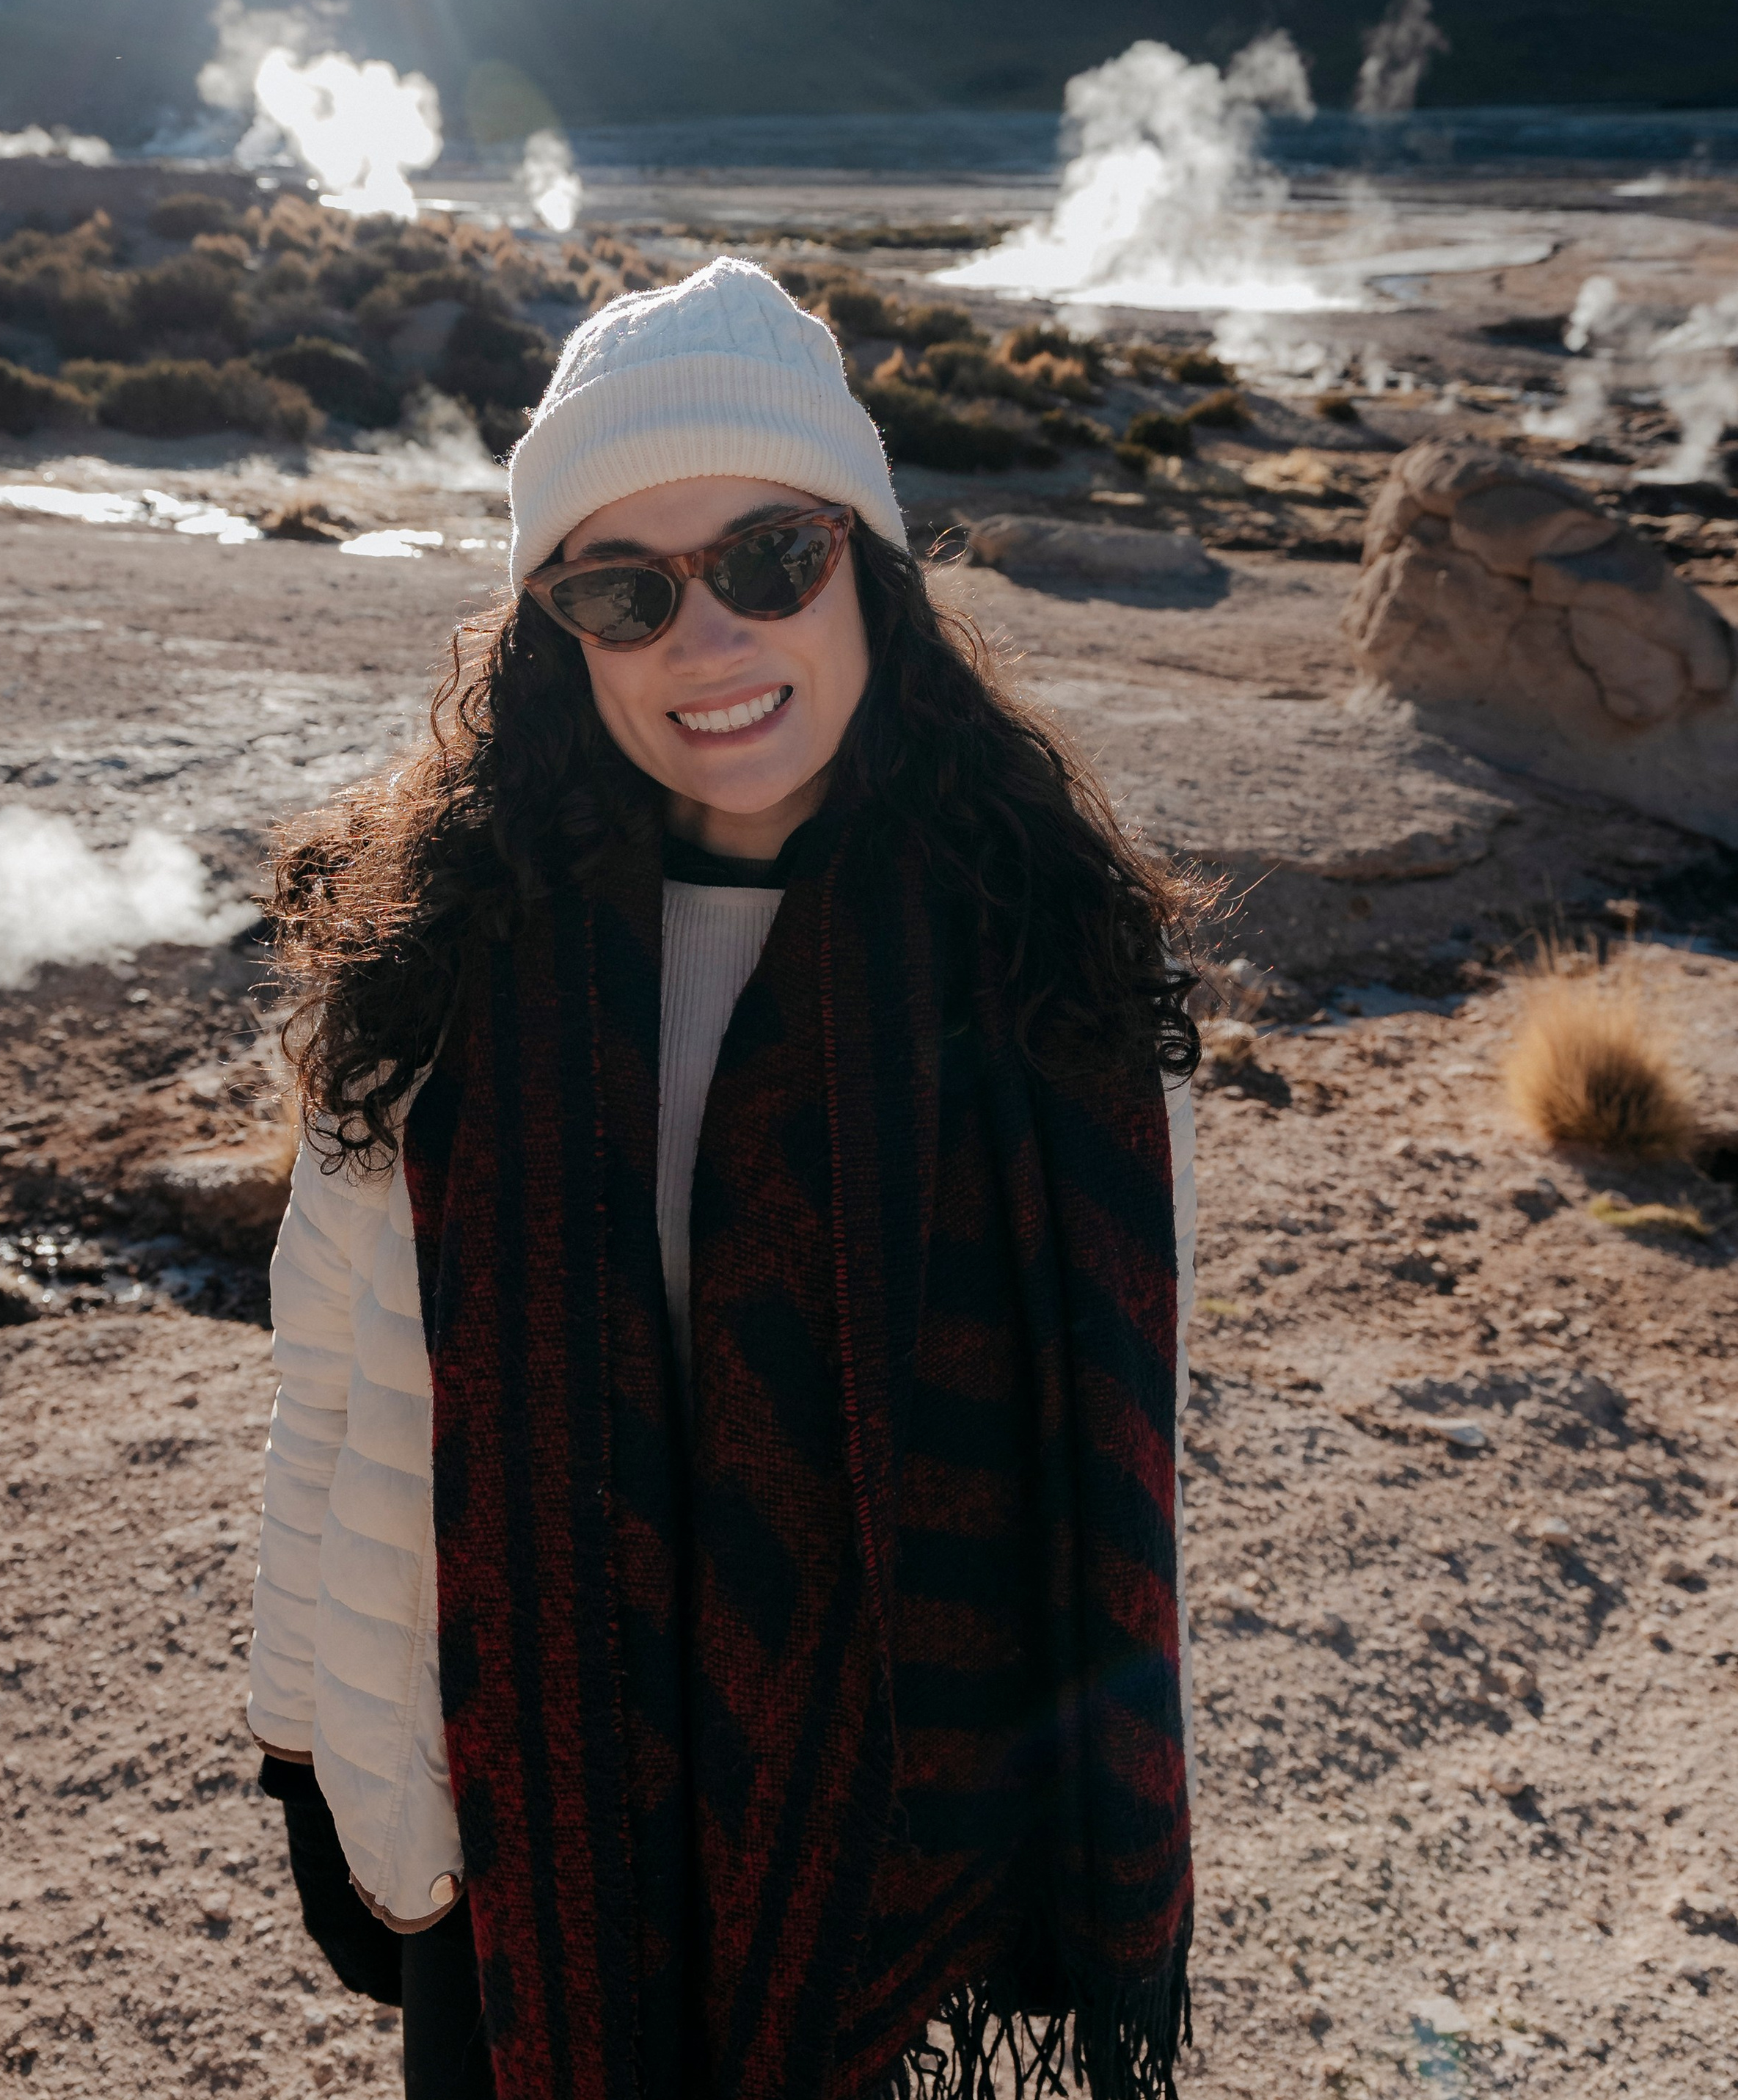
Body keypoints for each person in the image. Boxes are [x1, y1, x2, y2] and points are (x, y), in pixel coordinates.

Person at [247, 255, 1200, 2100]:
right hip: (522, 1843)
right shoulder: (441, 962)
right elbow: (335, 1390)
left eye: (771, 559)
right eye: (623, 589)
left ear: (869, 569)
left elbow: (1119, 1453)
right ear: (558, 634)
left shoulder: (1052, 974)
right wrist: (310, 1746)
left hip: (912, 1876)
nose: (706, 642)